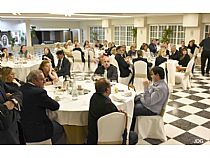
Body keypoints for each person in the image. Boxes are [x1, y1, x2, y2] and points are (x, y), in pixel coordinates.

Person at [19, 70, 66, 144]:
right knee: (61, 127)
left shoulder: (20, 89)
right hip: (37, 131)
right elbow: (55, 106)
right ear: (34, 80)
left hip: (22, 129)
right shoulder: (39, 93)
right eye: (42, 79)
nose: (44, 81)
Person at [87, 78, 138, 145]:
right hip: (109, 136)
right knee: (133, 136)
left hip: (93, 137)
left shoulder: (93, 98)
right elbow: (119, 119)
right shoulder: (108, 105)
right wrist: (121, 114)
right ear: (107, 90)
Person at [0, 80, 24, 144]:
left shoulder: (1, 82)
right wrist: (4, 107)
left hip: (13, 128)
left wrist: (12, 101)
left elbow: (17, 91)